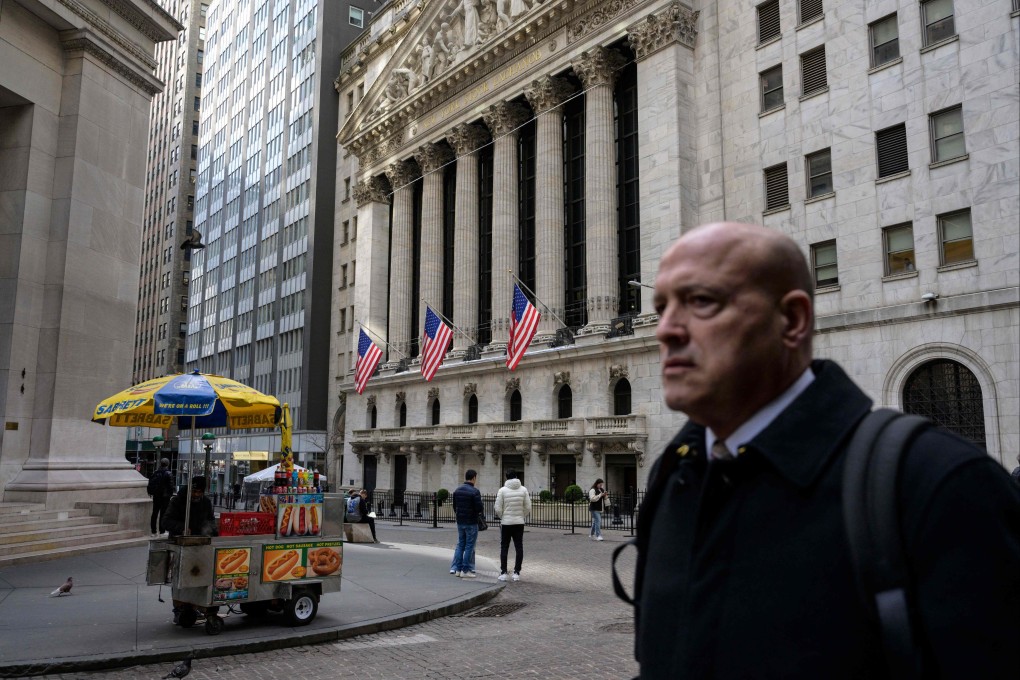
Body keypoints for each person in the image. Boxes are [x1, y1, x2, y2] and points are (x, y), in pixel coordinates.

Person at [627, 222, 1019, 678]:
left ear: (792, 321)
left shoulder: (942, 484)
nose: (666, 330)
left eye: (701, 302)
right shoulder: (673, 478)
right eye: (661, 307)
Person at [161, 476, 217, 625]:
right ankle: (179, 608)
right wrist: (181, 528)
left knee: (198, 577)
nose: (197, 495)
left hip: (199, 545)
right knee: (180, 579)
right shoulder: (178, 501)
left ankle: (194, 606)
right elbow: (165, 521)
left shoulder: (205, 502)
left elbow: (211, 520)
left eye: (200, 492)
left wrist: (210, 530)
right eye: (194, 491)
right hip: (180, 544)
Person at [494, 470, 531, 582]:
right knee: (519, 547)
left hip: (506, 523)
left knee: (504, 547)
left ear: (506, 478)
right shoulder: (524, 490)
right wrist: (521, 515)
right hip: (519, 522)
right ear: (516, 477)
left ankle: (504, 572)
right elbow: (528, 507)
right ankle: (516, 572)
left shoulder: (502, 490)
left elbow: (498, 508)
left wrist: (503, 517)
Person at [450, 469, 483, 578]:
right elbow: (479, 508)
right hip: (471, 522)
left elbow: (455, 506)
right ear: (473, 478)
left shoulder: (457, 490)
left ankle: (457, 569)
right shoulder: (475, 491)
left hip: (460, 521)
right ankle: (465, 569)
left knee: (460, 545)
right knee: (469, 546)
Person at [147, 458, 176, 536]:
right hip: (165, 496)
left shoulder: (156, 472)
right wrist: (170, 494)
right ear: (168, 464)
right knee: (163, 513)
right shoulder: (168, 473)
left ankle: (153, 531)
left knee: (155, 513)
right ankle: (162, 531)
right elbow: (171, 486)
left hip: (156, 495)